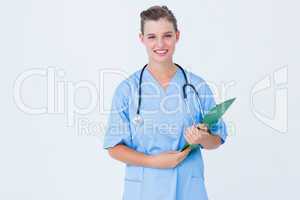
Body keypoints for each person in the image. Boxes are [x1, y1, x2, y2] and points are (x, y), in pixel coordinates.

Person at [103, 5, 227, 200]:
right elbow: (114, 147)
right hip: (144, 190)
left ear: (177, 36)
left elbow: (217, 139)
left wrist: (202, 138)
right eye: (152, 36)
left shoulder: (197, 86)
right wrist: (153, 162)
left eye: (167, 35)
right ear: (141, 39)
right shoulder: (127, 90)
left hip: (188, 188)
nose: (160, 44)